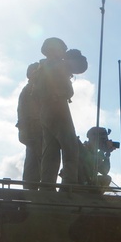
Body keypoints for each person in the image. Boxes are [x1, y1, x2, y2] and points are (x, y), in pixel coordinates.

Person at [35, 37, 88, 187]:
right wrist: (75, 56)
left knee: (51, 151)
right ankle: (69, 186)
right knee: (70, 147)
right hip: (58, 107)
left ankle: (47, 187)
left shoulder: (43, 66)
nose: (64, 52)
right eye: (62, 50)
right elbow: (80, 67)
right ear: (56, 50)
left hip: (46, 110)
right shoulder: (58, 65)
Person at [16, 62, 43, 188]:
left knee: (37, 162)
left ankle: (31, 189)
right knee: (33, 163)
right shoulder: (30, 90)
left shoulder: (32, 89)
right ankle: (30, 190)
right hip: (33, 132)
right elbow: (24, 114)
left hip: (35, 131)